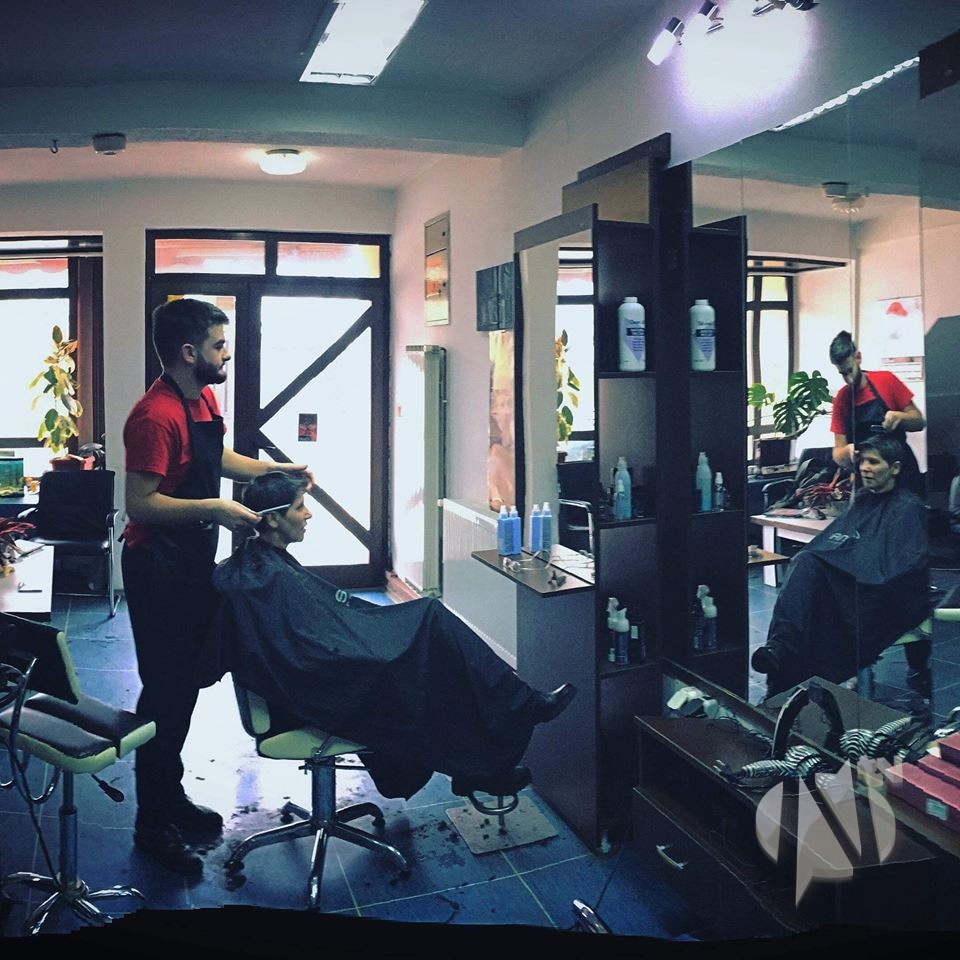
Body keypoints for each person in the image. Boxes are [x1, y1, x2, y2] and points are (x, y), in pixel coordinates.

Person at [202, 471, 577, 803]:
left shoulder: (259, 566)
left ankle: (483, 757)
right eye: (300, 507)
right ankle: (496, 742)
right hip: (316, 688)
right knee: (426, 652)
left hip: (323, 669)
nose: (309, 514)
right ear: (272, 518)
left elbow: (315, 631)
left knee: (430, 645)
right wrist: (376, 651)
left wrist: (371, 632)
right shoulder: (262, 578)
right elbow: (304, 654)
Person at [122, 298, 312, 875]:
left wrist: (277, 471)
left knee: (184, 688)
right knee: (165, 693)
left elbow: (217, 457)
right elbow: (140, 505)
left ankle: (170, 796)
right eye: (219, 345)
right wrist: (217, 509)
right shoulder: (153, 416)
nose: (227, 353)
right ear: (189, 352)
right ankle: (152, 824)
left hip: (190, 559)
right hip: (156, 568)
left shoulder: (201, 398)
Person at [751, 433, 930, 700]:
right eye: (862, 461)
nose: (864, 468)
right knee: (807, 568)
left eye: (873, 462)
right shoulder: (864, 501)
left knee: (811, 575)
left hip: (881, 594)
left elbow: (903, 568)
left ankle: (782, 647)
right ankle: (781, 652)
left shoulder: (908, 507)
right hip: (852, 583)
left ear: (895, 468)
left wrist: (846, 568)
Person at [828, 330, 926, 498]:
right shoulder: (842, 400)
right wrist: (847, 452)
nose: (849, 379)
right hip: (868, 478)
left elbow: (919, 421)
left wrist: (899, 417)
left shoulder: (886, 381)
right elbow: (837, 452)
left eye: (850, 370)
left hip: (902, 472)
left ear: (858, 357)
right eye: (843, 374)